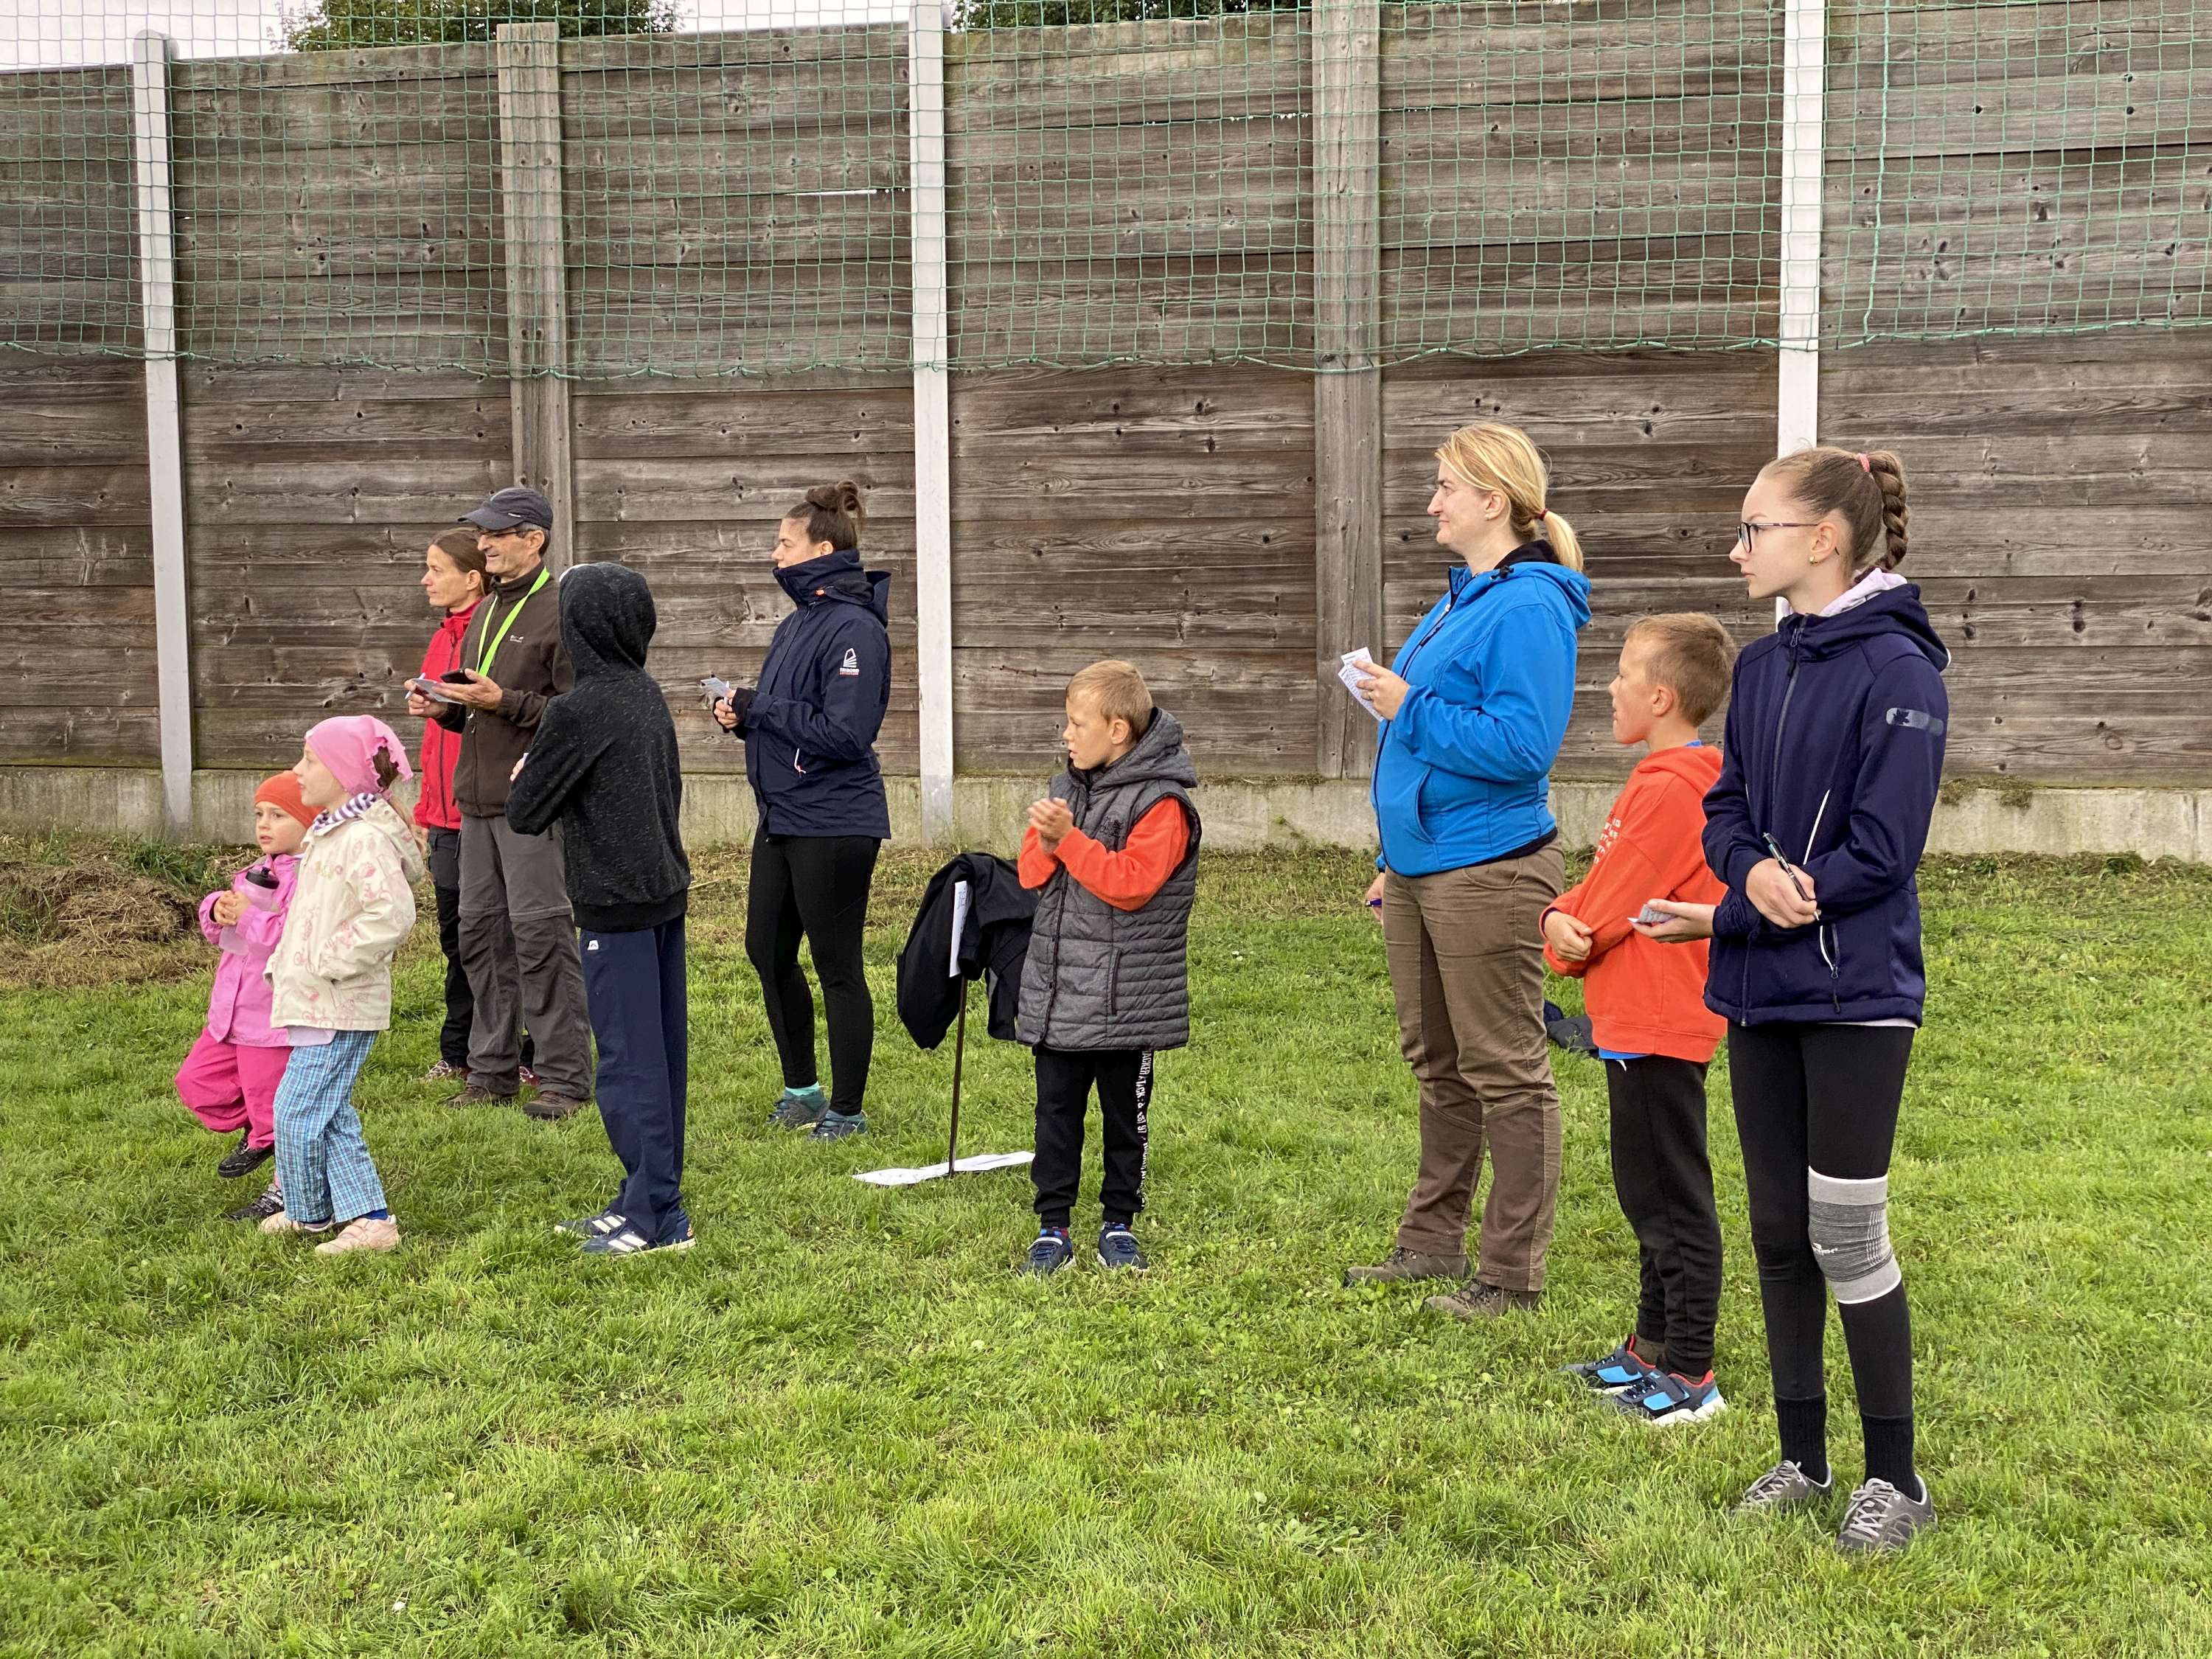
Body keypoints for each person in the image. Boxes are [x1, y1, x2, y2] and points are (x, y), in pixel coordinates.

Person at [1638, 447, 1947, 1554]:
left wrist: (1775, 894)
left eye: (1754, 528)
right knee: (1778, 1230)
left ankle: (1896, 1479)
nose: (1737, 549)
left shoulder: (1902, 673)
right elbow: (1725, 810)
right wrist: (1747, 871)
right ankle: (1804, 1459)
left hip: (1857, 995)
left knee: (1846, 1233)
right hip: (1762, 990)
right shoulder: (1765, 667)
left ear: (1823, 540)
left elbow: (1885, 850)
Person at [1342, 422, 1590, 1318]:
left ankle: (1511, 1274)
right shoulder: (1464, 600)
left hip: (1489, 870)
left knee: (1506, 1070)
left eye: (1446, 487)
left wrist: (1408, 704)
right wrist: (1394, 861)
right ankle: (1431, 1244)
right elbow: (1425, 745)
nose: (1433, 503)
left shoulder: (1528, 609)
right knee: (1438, 1063)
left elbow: (1522, 748)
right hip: (1423, 867)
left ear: (1493, 499)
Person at [1540, 614, 1734, 1425]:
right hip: (1634, 1019)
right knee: (1645, 1191)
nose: (1609, 687)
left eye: (1622, 674)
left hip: (1660, 1018)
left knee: (1670, 1200)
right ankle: (1648, 1349)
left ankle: (1690, 1372)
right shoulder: (1662, 779)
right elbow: (1605, 886)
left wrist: (1563, 931)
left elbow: (1612, 903)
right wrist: (1558, 913)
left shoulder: (1671, 787)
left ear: (1660, 698)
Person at [508, 563, 696, 1258]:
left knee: (626, 1063)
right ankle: (646, 1193)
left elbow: (525, 811)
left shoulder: (579, 708)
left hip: (614, 904)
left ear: (581, 627)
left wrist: (529, 772)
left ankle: (657, 1217)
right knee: (660, 1056)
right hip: (661, 891)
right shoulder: (645, 693)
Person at [713, 481, 891, 1142]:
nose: (775, 553)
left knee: (837, 965)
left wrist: (759, 707)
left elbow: (846, 735)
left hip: (836, 822)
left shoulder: (856, 629)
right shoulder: (796, 624)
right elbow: (791, 721)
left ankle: (847, 1110)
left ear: (821, 549)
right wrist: (741, 718)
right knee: (766, 951)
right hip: (783, 815)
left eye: (784, 543)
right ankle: (802, 1091)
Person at [410, 487, 592, 1120]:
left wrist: (501, 702)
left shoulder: (562, 610)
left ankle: (564, 1078)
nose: (484, 544)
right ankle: (490, 1073)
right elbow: (481, 710)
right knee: (481, 938)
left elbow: (578, 716)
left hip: (531, 807)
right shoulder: (487, 610)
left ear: (534, 540)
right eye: (482, 534)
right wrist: (446, 709)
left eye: (496, 534)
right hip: (476, 805)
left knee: (541, 937)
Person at [1014, 660, 1200, 1276]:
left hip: (1126, 1002)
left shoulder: (1163, 803)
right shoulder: (1063, 788)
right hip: (1062, 992)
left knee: (1125, 1120)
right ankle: (1053, 1226)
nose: (1066, 735)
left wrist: (1068, 840)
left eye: (1077, 723)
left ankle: (1119, 1222)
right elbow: (1030, 875)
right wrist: (1048, 842)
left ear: (1117, 730)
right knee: (1055, 1115)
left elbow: (1132, 885)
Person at [260, 717, 423, 1256]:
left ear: (344, 771)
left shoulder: (362, 839)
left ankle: (360, 1218)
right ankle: (324, 1214)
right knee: (324, 1110)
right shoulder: (330, 833)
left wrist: (328, 961)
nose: (297, 771)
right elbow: (311, 915)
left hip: (339, 999)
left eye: (309, 760)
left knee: (299, 1111)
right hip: (316, 998)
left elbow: (390, 913)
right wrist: (286, 964)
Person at [409, 526, 535, 1088]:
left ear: (472, 579)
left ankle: (526, 1051)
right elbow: (439, 736)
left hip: (487, 813)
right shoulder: (442, 637)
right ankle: (459, 1050)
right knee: (458, 941)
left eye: (437, 569)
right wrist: (424, 809)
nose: (426, 580)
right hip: (443, 817)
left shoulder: (491, 634)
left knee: (507, 938)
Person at [175, 773, 313, 1205]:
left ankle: (287, 1191)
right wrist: (216, 909)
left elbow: (291, 939)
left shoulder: (310, 878)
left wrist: (249, 916)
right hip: (229, 1013)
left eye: (278, 815)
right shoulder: (255, 873)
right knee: (195, 1081)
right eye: (259, 815)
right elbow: (224, 937)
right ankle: (260, 1132)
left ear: (309, 821)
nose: (264, 824)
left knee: (273, 1105)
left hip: (267, 1018)